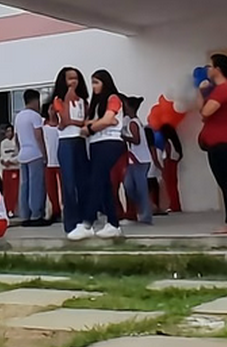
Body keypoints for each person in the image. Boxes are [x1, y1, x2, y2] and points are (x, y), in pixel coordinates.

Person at [197, 54, 227, 235]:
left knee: (226, 181)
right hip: (215, 140)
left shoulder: (223, 88)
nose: (207, 69)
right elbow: (202, 111)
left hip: (222, 140)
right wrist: (200, 92)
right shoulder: (218, 89)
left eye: (210, 66)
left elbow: (206, 111)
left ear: (218, 69)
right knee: (223, 181)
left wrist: (205, 98)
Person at [82, 69, 126, 239]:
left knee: (96, 180)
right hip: (95, 144)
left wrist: (91, 127)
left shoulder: (113, 98)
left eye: (97, 82)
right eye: (92, 83)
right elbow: (97, 121)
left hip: (110, 142)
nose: (94, 86)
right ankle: (113, 223)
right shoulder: (95, 104)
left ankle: (87, 222)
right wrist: (97, 123)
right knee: (104, 183)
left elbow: (108, 120)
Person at [52, 67, 92, 240]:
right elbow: (65, 120)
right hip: (66, 142)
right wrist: (69, 97)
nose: (73, 82)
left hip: (80, 142)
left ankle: (85, 220)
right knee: (68, 184)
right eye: (70, 79)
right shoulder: (58, 100)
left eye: (76, 78)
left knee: (83, 182)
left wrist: (77, 123)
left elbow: (86, 121)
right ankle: (71, 223)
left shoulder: (84, 101)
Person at [14, 89, 47, 226]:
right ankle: (36, 214)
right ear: (35, 100)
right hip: (35, 153)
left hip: (23, 153)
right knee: (36, 185)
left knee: (25, 185)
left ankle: (25, 214)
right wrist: (44, 154)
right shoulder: (35, 116)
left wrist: (19, 150)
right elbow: (38, 136)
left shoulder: (18, 116)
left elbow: (16, 138)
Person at [121, 96, 153, 225]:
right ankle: (143, 208)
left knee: (140, 188)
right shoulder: (135, 121)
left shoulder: (133, 123)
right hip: (135, 160)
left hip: (140, 159)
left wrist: (123, 137)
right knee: (129, 185)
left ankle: (146, 215)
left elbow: (136, 140)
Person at [42, 102, 62, 223]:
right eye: (51, 109)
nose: (53, 111)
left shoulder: (61, 126)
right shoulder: (44, 127)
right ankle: (55, 211)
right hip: (49, 162)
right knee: (51, 189)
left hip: (61, 162)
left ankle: (64, 210)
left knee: (63, 188)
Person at [159, 124, 184, 213]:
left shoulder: (167, 142)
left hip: (169, 163)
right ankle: (176, 205)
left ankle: (173, 205)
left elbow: (167, 155)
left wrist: (163, 167)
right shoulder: (175, 142)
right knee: (174, 185)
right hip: (174, 163)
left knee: (170, 185)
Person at [0, 124, 19, 217]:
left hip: (15, 169)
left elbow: (19, 155)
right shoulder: (3, 143)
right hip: (6, 170)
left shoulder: (16, 142)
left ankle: (15, 209)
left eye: (10, 131)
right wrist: (3, 161)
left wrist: (12, 162)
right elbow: (2, 155)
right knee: (7, 191)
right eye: (7, 131)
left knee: (15, 191)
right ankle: (8, 209)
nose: (8, 133)